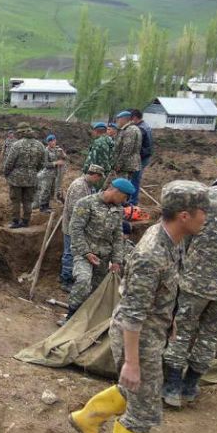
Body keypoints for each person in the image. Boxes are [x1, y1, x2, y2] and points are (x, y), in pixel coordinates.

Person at [68, 180, 209, 433]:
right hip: (138, 336)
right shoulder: (151, 254)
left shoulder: (173, 240)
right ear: (185, 215)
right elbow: (132, 313)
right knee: (143, 411)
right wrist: (131, 363)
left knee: (132, 389)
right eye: (202, 211)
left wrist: (171, 322)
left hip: (152, 331)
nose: (206, 217)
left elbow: (163, 292)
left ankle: (86, 418)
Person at [162, 154, 217, 408]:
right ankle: (191, 387)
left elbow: (183, 237)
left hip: (196, 281)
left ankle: (171, 387)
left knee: (181, 331)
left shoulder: (204, 199)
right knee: (210, 336)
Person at [60, 179, 134, 326]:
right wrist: (86, 252)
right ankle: (71, 316)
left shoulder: (118, 209)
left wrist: (117, 260)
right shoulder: (85, 203)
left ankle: (86, 318)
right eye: (125, 197)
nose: (125, 201)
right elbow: (75, 229)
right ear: (116, 191)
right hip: (84, 254)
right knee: (83, 281)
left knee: (97, 290)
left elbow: (118, 236)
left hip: (104, 256)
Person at [59, 165, 104, 293]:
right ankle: (65, 279)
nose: (98, 181)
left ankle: (70, 276)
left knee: (74, 253)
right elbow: (75, 210)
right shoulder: (79, 187)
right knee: (70, 253)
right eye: (98, 178)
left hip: (79, 227)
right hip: (72, 227)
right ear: (95, 175)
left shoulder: (88, 186)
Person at [4, 123, 45, 228]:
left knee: (15, 200)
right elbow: (42, 164)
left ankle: (15, 221)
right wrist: (33, 171)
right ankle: (26, 221)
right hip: (32, 177)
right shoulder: (40, 145)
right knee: (28, 200)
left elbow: (9, 162)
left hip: (16, 178)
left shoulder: (17, 145)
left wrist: (6, 173)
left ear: (22, 132)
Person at [110, 111, 142, 193]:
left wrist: (119, 164)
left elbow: (127, 149)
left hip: (126, 165)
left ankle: (122, 204)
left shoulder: (130, 130)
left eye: (118, 120)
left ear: (124, 119)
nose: (117, 122)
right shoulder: (131, 128)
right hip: (128, 164)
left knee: (121, 187)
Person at [128, 109, 154, 205]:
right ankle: (131, 200)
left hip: (141, 157)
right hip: (145, 156)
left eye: (130, 118)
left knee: (134, 179)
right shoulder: (145, 126)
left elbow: (136, 146)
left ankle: (132, 202)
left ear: (134, 118)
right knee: (134, 178)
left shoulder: (140, 129)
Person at [36, 134, 67, 213]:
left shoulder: (57, 150)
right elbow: (45, 164)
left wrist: (63, 155)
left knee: (51, 190)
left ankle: (47, 206)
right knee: (46, 190)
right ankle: (42, 206)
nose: (53, 142)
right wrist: (56, 163)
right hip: (47, 174)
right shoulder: (46, 151)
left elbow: (64, 158)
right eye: (52, 141)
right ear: (48, 142)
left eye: (54, 141)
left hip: (55, 174)